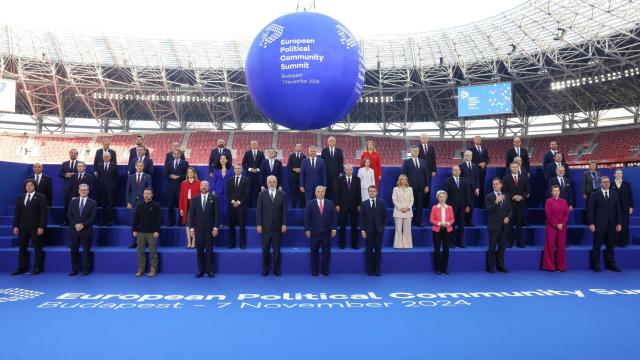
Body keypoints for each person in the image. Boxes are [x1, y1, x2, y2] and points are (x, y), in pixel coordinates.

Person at [11, 179, 48, 275]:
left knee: (37, 248)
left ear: (34, 186)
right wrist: (15, 226)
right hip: (22, 227)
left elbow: (44, 214)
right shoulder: (20, 197)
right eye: (27, 185)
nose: (29, 187)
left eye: (31, 185)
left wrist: (41, 227)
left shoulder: (41, 197)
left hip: (36, 227)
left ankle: (37, 268)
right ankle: (21, 267)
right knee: (22, 248)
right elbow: (17, 213)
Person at [587, 176, 622, 272]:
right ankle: (596, 264)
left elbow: (618, 210)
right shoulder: (594, 195)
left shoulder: (615, 194)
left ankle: (610, 264)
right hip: (599, 224)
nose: (606, 183)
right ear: (600, 183)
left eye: (607, 182)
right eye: (604, 182)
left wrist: (619, 223)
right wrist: (591, 223)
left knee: (610, 245)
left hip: (612, 224)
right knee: (597, 245)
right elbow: (590, 211)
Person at [256, 175, 288, 276]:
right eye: (270, 182)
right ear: (267, 183)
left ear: (277, 183)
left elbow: (284, 212)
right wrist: (259, 224)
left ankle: (276, 269)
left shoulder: (282, 194)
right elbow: (258, 211)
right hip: (265, 227)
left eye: (274, 182)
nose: (272, 184)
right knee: (265, 249)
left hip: (277, 227)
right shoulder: (262, 194)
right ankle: (265, 268)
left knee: (276, 250)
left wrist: (284, 224)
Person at [188, 181, 220, 278]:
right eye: (202, 186)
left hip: (210, 230)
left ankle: (210, 270)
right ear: (200, 187)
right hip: (198, 230)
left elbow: (217, 215)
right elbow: (191, 215)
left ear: (209, 187)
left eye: (206, 186)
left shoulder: (214, 199)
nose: (204, 187)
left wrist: (216, 227)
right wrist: (191, 228)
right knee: (200, 251)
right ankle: (201, 270)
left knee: (209, 250)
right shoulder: (194, 199)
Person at [304, 186, 337, 276]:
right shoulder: (310, 204)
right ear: (315, 193)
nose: (320, 193)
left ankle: (324, 270)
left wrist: (334, 228)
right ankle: (315, 270)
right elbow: (307, 218)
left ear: (325, 193)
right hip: (314, 233)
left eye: (322, 191)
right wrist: (307, 229)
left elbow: (334, 217)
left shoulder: (330, 203)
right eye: (318, 191)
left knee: (326, 253)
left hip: (327, 232)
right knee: (314, 252)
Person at [67, 184, 97, 276]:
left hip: (86, 230)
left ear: (88, 191)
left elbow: (92, 217)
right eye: (81, 190)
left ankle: (86, 269)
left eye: (85, 190)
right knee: (73, 250)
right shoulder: (73, 202)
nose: (83, 191)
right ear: (78, 191)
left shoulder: (93, 203)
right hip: (74, 229)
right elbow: (69, 215)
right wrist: (75, 224)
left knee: (86, 250)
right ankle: (74, 269)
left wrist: (83, 225)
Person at [132, 188, 162, 277]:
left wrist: (157, 230)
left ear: (152, 195)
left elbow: (159, 219)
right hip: (140, 233)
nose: (146, 195)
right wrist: (134, 230)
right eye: (145, 193)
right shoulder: (139, 205)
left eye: (148, 193)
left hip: (152, 233)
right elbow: (135, 219)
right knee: (140, 252)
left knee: (153, 252)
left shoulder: (156, 205)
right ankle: (141, 269)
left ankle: (153, 269)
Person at [485, 177, 512, 273]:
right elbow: (488, 209)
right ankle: (490, 267)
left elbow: (510, 210)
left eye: (496, 184)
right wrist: (496, 202)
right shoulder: (489, 196)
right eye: (493, 184)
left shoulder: (506, 196)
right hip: (493, 225)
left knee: (502, 248)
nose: (494, 185)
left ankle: (500, 266)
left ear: (501, 185)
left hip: (504, 226)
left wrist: (508, 217)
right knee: (492, 247)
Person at [442, 165, 473, 248]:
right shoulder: (447, 181)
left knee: (461, 226)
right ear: (452, 171)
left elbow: (468, 194)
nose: (457, 171)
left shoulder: (465, 181)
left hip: (462, 207)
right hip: (451, 207)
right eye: (455, 170)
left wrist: (468, 205)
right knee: (451, 225)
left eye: (458, 170)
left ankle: (460, 242)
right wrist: (447, 207)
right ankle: (451, 242)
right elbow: (446, 195)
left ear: (460, 171)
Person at [360, 186, 387, 276]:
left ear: (376, 192)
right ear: (368, 192)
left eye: (373, 191)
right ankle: (370, 270)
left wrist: (382, 227)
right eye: (370, 191)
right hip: (368, 232)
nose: (372, 192)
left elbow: (385, 217)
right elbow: (361, 219)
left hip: (379, 232)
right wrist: (363, 230)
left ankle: (377, 270)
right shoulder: (364, 204)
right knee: (369, 251)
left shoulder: (381, 203)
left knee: (378, 251)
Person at [126, 161, 153, 248]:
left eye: (141, 166)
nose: (139, 167)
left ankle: (145, 242)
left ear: (143, 167)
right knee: (134, 223)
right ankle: (135, 242)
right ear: (135, 166)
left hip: (144, 203)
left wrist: (148, 202)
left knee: (144, 223)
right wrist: (128, 202)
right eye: (138, 165)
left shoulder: (147, 177)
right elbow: (127, 191)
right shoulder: (130, 177)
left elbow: (150, 190)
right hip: (133, 203)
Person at [502, 162, 529, 248]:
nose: (514, 168)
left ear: (519, 167)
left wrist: (521, 197)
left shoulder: (524, 178)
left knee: (519, 225)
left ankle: (519, 243)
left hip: (521, 204)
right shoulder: (506, 178)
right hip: (510, 205)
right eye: (513, 167)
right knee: (509, 225)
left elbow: (527, 190)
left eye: (516, 167)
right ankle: (509, 242)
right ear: (510, 168)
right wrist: (513, 196)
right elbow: (504, 191)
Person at [543, 185, 569, 272]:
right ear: (551, 192)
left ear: (559, 192)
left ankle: (561, 266)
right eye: (554, 191)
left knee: (561, 247)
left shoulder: (564, 201)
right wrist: (556, 224)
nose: (556, 192)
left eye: (557, 191)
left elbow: (566, 214)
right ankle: (550, 266)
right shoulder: (548, 201)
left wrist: (562, 224)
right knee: (550, 246)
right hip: (551, 226)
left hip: (562, 227)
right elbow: (548, 215)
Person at [401, 146, 429, 226]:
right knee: (409, 205)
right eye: (414, 151)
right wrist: (404, 185)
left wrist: (427, 185)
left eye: (417, 151)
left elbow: (426, 174)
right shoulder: (407, 162)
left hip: (421, 187)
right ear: (411, 152)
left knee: (419, 205)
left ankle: (418, 221)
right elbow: (403, 174)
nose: (416, 152)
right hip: (409, 187)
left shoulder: (423, 162)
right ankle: (408, 222)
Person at [336, 164, 362, 249]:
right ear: (344, 170)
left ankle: (355, 243)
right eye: (347, 169)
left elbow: (358, 193)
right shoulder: (340, 179)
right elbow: (337, 193)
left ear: (353, 170)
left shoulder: (357, 179)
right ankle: (342, 243)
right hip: (343, 206)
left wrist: (359, 204)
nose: (349, 171)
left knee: (354, 226)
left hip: (354, 206)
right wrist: (337, 204)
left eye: (350, 169)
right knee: (342, 225)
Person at [430, 190, 454, 274]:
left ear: (446, 198)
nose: (442, 198)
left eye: (444, 197)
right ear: (437, 198)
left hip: (447, 230)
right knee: (437, 249)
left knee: (446, 250)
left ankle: (445, 268)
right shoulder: (434, 207)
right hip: (437, 230)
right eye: (440, 197)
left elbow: (452, 219)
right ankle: (438, 268)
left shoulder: (450, 207)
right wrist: (440, 223)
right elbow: (431, 220)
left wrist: (447, 223)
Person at [225, 163, 249, 249]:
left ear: (242, 170)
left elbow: (247, 193)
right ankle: (232, 243)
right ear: (234, 170)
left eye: (239, 168)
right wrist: (233, 201)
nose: (237, 170)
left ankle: (242, 243)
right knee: (231, 225)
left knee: (242, 225)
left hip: (241, 206)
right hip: (231, 206)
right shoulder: (229, 180)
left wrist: (238, 202)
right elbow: (227, 193)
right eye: (236, 168)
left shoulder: (246, 180)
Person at [164, 149, 188, 226]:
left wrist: (179, 176)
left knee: (181, 206)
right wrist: (170, 176)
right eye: (175, 153)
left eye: (178, 153)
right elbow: (165, 174)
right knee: (170, 205)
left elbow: (187, 175)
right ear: (173, 155)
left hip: (181, 187)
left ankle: (181, 222)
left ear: (180, 154)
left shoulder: (185, 163)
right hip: (171, 188)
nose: (176, 155)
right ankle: (170, 222)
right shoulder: (168, 163)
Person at [179, 167, 201, 248]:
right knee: (188, 224)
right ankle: (189, 241)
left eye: (191, 172)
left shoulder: (199, 183)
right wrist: (181, 208)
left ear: (194, 173)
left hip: (196, 206)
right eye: (188, 172)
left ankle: (194, 241)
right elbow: (181, 196)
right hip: (186, 205)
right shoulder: (183, 183)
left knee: (194, 224)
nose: (190, 173)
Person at [612, 169, 634, 247]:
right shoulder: (611, 184)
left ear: (622, 175)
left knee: (624, 225)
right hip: (614, 208)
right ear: (614, 174)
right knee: (614, 224)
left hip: (625, 208)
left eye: (620, 173)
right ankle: (615, 241)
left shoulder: (627, 184)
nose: (619, 174)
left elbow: (630, 196)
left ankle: (623, 242)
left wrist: (631, 206)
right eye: (617, 173)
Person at [96, 152, 118, 226]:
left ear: (110, 157)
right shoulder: (99, 166)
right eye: (104, 156)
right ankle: (103, 221)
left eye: (107, 156)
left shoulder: (114, 166)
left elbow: (116, 178)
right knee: (103, 206)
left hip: (111, 189)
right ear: (102, 157)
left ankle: (110, 221)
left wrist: (113, 186)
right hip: (102, 189)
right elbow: (99, 177)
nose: (105, 157)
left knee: (111, 205)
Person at [392, 174, 413, 249]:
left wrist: (408, 208)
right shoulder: (395, 189)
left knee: (407, 229)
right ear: (399, 180)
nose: (403, 181)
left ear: (407, 180)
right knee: (398, 229)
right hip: (398, 212)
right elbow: (394, 200)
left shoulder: (410, 189)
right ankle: (398, 245)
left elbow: (412, 200)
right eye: (402, 179)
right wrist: (401, 208)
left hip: (408, 212)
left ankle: (407, 245)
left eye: (405, 179)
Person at [59, 149, 79, 226]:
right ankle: (66, 221)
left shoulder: (80, 163)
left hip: (77, 189)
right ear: (69, 154)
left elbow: (83, 173)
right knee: (67, 206)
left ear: (77, 155)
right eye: (72, 153)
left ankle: (75, 222)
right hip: (67, 188)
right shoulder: (64, 163)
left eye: (75, 153)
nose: (73, 154)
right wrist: (65, 175)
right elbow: (60, 174)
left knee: (76, 206)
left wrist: (75, 174)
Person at [242, 140, 265, 207]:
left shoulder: (261, 153)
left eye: (255, 144)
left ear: (257, 145)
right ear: (250, 145)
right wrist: (249, 169)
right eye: (252, 144)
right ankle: (249, 206)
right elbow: (243, 163)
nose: (253, 145)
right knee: (249, 191)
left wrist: (258, 169)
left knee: (257, 192)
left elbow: (263, 164)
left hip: (258, 176)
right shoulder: (247, 153)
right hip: (249, 175)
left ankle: (257, 207)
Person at [459, 150, 480, 226]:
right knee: (463, 205)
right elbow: (460, 178)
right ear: (464, 156)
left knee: (471, 205)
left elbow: (477, 178)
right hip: (464, 189)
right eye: (467, 155)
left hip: (472, 189)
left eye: (470, 155)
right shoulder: (461, 166)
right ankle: (463, 222)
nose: (469, 157)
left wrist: (477, 188)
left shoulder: (475, 166)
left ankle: (469, 222)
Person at [211, 155, 232, 228]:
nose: (222, 159)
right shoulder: (216, 170)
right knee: (219, 208)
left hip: (228, 192)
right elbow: (214, 181)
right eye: (221, 158)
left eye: (224, 158)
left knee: (226, 208)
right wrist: (213, 190)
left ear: (227, 160)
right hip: (218, 191)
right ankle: (219, 223)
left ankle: (226, 223)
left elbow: (232, 181)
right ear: (219, 161)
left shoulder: (230, 170)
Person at [321, 136, 344, 201]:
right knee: (326, 191)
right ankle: (326, 204)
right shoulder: (324, 150)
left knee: (336, 191)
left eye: (333, 141)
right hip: (326, 175)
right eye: (330, 141)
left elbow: (341, 162)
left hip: (336, 175)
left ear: (335, 142)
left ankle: (336, 205)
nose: (331, 142)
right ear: (328, 142)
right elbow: (322, 163)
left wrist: (341, 172)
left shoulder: (339, 150)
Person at [470, 136, 489, 208]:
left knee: (482, 187)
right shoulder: (471, 149)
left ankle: (481, 204)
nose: (478, 140)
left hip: (483, 170)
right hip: (474, 170)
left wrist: (485, 163)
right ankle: (472, 204)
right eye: (477, 139)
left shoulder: (485, 148)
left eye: (479, 139)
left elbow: (487, 158)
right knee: (474, 186)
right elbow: (470, 159)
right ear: (474, 140)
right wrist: (479, 163)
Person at [418, 133, 437, 207]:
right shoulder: (417, 148)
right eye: (423, 138)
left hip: (429, 172)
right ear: (420, 139)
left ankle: (426, 204)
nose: (424, 139)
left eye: (425, 138)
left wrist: (434, 170)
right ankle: (420, 203)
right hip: (420, 171)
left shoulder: (431, 148)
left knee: (428, 186)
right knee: (420, 187)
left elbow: (433, 160)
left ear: (428, 139)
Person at [287, 143, 306, 208]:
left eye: (299, 146)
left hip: (301, 178)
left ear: (301, 148)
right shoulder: (291, 156)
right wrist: (294, 169)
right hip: (293, 178)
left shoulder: (304, 156)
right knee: (293, 192)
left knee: (302, 192)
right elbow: (288, 166)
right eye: (297, 146)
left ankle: (302, 206)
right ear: (295, 148)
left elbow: (305, 166)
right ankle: (293, 206)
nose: (298, 147)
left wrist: (301, 169)